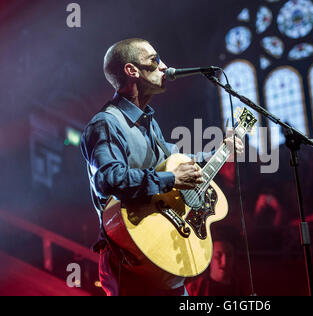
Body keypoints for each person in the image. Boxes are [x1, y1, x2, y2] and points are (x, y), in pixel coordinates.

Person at [80, 38, 243, 296]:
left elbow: (177, 160)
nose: (165, 67)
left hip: (161, 256)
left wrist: (220, 152)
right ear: (131, 70)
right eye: (155, 61)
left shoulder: (149, 123)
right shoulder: (105, 124)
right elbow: (110, 180)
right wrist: (168, 179)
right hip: (130, 261)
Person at [186, 226, 248, 296]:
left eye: (229, 256)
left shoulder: (242, 288)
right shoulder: (194, 289)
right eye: (218, 256)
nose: (224, 262)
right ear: (209, 258)